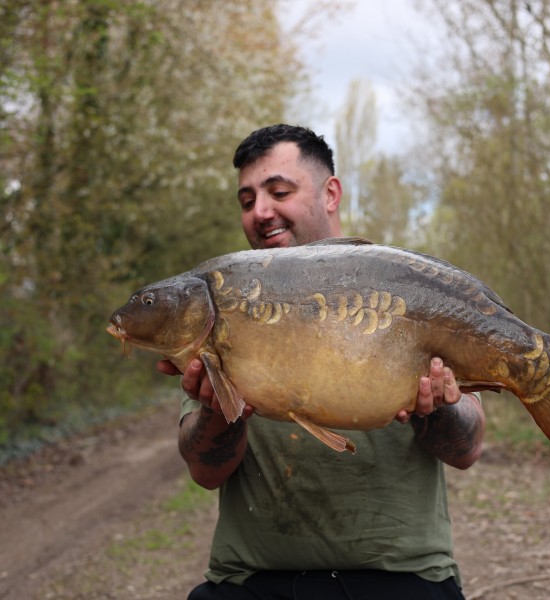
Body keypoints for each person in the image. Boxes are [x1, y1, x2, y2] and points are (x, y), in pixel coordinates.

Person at [157, 124, 486, 600]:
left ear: (330, 193)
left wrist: (436, 407)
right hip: (254, 580)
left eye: (278, 191)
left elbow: (466, 451)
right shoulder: (223, 302)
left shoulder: (403, 284)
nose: (261, 212)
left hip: (402, 577)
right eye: (247, 200)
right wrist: (216, 408)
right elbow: (205, 473)